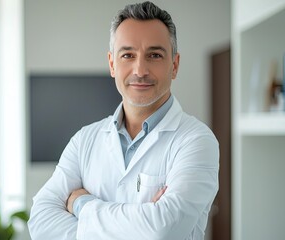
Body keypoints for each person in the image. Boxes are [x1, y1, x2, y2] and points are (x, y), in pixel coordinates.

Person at [28, 2, 219, 240]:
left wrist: (82, 204)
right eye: (128, 55)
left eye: (155, 55)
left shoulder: (196, 140)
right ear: (112, 64)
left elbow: (162, 230)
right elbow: (40, 221)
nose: (140, 70)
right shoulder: (84, 140)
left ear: (175, 65)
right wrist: (142, 220)